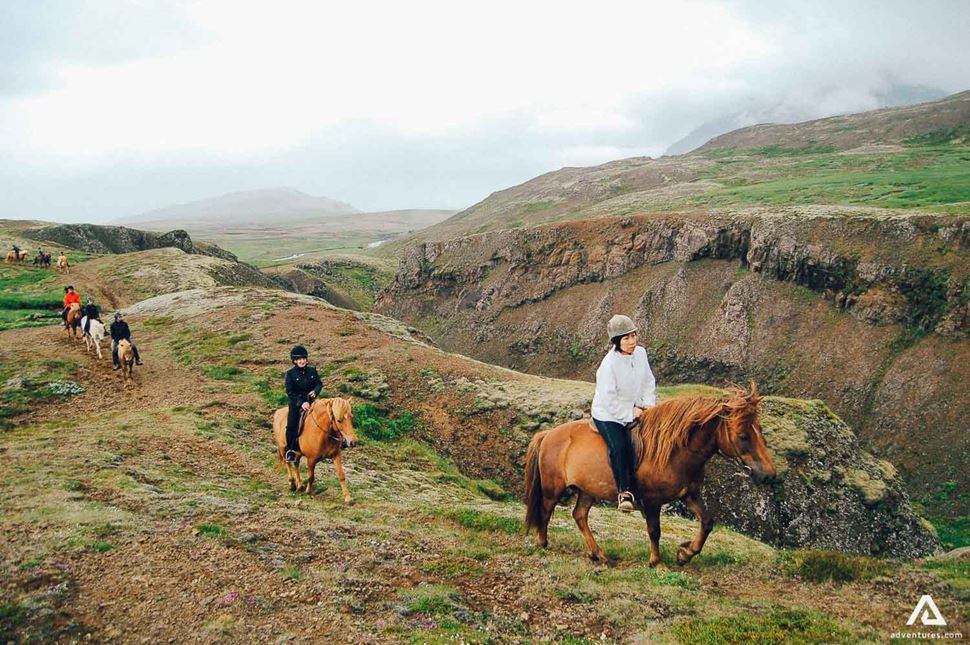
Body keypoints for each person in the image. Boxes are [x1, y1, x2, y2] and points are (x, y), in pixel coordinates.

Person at [590, 315, 656, 513]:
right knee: (619, 446)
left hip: (637, 408)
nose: (632, 341)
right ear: (617, 341)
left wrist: (648, 405)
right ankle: (624, 492)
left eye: (634, 335)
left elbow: (648, 381)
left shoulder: (641, 353)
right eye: (626, 338)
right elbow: (608, 399)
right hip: (609, 414)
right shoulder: (608, 365)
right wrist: (629, 413)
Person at [283, 345, 323, 464]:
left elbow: (319, 384)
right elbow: (290, 392)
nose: (302, 361)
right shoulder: (290, 374)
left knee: (328, 416)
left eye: (303, 358)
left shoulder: (312, 370)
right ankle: (290, 450)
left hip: (312, 401)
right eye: (299, 359)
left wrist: (315, 391)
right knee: (291, 425)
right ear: (295, 361)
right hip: (296, 403)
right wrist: (301, 403)